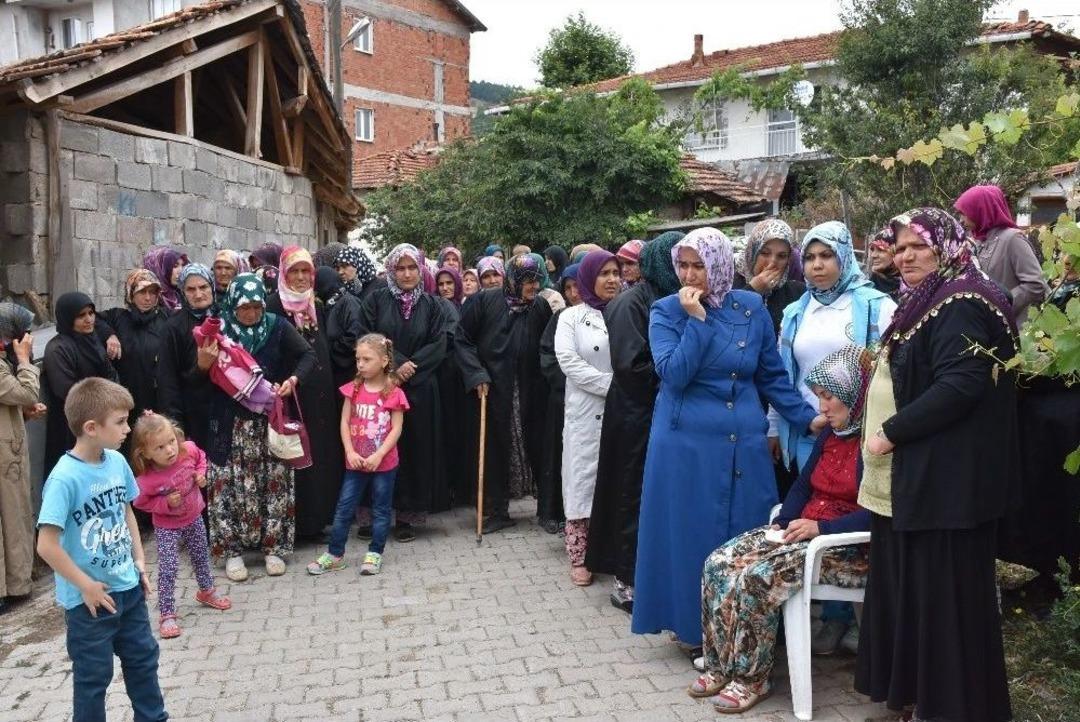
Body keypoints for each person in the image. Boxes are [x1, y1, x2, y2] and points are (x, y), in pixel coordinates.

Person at [855, 207, 1018, 722]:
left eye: (916, 246)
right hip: (930, 483)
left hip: (953, 485)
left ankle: (952, 709)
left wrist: (891, 433)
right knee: (926, 601)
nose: (904, 257)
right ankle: (928, 702)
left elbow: (961, 384)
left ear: (944, 246)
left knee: (947, 604)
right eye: (898, 248)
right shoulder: (930, 301)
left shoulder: (963, 301)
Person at [632, 227, 823, 645]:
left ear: (718, 264)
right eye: (681, 265)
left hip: (744, 442)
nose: (688, 274)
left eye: (697, 265)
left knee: (744, 534)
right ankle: (695, 630)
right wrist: (698, 322)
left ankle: (746, 633)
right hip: (686, 445)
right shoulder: (666, 311)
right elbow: (674, 374)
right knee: (691, 535)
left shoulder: (751, 306)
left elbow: (771, 374)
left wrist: (806, 418)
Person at [693, 344, 873, 713]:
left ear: (854, 397)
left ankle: (751, 678)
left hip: (846, 548)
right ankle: (720, 664)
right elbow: (804, 486)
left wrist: (821, 527)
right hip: (804, 531)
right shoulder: (831, 433)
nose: (821, 408)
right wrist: (779, 524)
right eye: (819, 397)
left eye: (829, 398)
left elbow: (877, 514)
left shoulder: (876, 444)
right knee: (719, 562)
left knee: (758, 577)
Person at [35, 377, 167, 722]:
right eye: (121, 422)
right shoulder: (64, 479)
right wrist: (86, 585)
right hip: (89, 604)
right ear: (91, 427)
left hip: (129, 590)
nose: (128, 429)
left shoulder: (116, 462)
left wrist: (139, 562)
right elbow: (46, 546)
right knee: (93, 680)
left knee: (144, 663)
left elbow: (126, 511)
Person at [586, 231, 684, 612]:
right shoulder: (632, 303)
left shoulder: (672, 299)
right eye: (678, 263)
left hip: (660, 413)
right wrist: (680, 374)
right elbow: (632, 366)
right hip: (634, 415)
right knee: (630, 493)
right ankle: (625, 578)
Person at [207, 273, 315, 580]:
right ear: (232, 304)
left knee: (275, 483)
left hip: (269, 420)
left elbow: (308, 355)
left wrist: (292, 380)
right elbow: (200, 370)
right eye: (245, 308)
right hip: (229, 424)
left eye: (256, 306)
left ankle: (274, 549)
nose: (252, 313)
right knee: (226, 486)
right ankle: (232, 553)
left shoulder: (277, 326)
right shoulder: (221, 331)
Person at [771, 221, 896, 474]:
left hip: (863, 436)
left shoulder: (878, 308)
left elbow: (893, 373)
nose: (817, 265)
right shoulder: (795, 313)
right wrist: (774, 427)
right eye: (809, 257)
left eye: (826, 255)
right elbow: (782, 375)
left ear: (844, 256)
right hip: (808, 431)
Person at [456, 253, 557, 532]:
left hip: (530, 390)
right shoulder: (484, 301)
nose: (534, 288)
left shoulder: (540, 308)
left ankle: (546, 509)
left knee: (536, 446)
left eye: (537, 282)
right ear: (515, 280)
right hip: (493, 389)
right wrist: (476, 373)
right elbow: (461, 340)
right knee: (495, 447)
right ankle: (496, 510)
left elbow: (547, 346)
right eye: (528, 282)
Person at [359, 244, 452, 539]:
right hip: (380, 387)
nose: (407, 273)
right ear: (392, 270)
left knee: (413, 450)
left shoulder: (433, 305)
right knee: (376, 446)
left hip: (420, 390)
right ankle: (373, 516)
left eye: (413, 267)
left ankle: (406, 518)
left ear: (421, 269)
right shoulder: (375, 300)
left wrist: (410, 367)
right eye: (401, 268)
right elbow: (367, 337)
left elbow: (440, 343)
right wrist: (393, 368)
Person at [308, 334, 409, 577]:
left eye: (367, 359)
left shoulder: (393, 392)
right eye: (358, 359)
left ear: (384, 360)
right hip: (355, 463)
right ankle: (334, 554)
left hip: (383, 464)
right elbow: (344, 422)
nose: (360, 364)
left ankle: (375, 552)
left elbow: (397, 428)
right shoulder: (352, 389)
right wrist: (350, 451)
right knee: (344, 508)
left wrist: (379, 455)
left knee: (382, 509)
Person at [266, 246, 345, 540]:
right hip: (291, 395)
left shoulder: (315, 304)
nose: (300, 278)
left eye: (305, 271)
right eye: (294, 271)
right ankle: (297, 525)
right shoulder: (274, 305)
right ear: (284, 274)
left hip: (320, 396)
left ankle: (318, 520)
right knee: (295, 455)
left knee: (320, 455)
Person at [130, 412, 231, 638]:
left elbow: (202, 457)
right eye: (160, 448)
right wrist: (164, 503)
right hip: (167, 527)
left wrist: (200, 474)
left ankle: (207, 592)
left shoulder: (188, 451)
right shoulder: (146, 480)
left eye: (171, 441)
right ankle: (166, 612)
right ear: (145, 452)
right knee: (169, 566)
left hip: (194, 516)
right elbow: (140, 502)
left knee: (200, 556)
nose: (170, 450)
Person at [555, 250, 621, 586]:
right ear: (588, 278)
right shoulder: (571, 318)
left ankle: (612, 553)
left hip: (622, 411)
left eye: (616, 272)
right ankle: (580, 556)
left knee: (617, 479)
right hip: (586, 410)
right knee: (581, 481)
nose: (612, 279)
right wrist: (612, 385)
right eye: (604, 273)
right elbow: (569, 362)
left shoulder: (627, 310)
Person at [43, 292, 118, 479]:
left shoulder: (93, 340)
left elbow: (111, 375)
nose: (89, 319)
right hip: (72, 426)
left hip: (100, 421)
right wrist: (105, 397)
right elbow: (68, 391)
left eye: (91, 313)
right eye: (81, 315)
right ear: (68, 318)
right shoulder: (58, 348)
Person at [0, 304, 44, 615]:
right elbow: (26, 392)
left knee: (14, 514)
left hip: (8, 450)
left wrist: (23, 413)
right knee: (10, 517)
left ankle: (17, 581)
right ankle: (10, 588)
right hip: (5, 456)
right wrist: (25, 361)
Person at [955, 184, 1048, 322]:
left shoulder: (1012, 239)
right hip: (985, 328)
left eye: (965, 213)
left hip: (1014, 330)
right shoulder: (976, 242)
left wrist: (1000, 304)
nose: (961, 220)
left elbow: (1036, 284)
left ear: (981, 210)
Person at [537, 263, 581, 534]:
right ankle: (555, 511)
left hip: (595, 399)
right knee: (558, 455)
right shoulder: (560, 317)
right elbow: (548, 355)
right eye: (568, 288)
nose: (574, 293)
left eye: (578, 285)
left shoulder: (605, 315)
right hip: (563, 397)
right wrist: (569, 382)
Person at [156, 264, 217, 457]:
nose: (198, 295)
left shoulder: (225, 318)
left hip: (225, 413)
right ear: (182, 292)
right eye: (191, 289)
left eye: (204, 287)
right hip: (193, 414)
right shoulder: (173, 327)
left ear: (212, 287)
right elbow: (168, 382)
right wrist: (176, 428)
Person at [96, 270, 170, 424]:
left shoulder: (166, 318)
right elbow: (94, 319)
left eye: (152, 292)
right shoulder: (118, 317)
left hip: (159, 398)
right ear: (131, 294)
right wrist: (110, 335)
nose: (148, 298)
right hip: (126, 397)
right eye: (142, 292)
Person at [735, 219, 805, 335]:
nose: (772, 262)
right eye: (765, 253)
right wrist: (752, 290)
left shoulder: (798, 294)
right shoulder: (729, 288)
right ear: (753, 252)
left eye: (782, 256)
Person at [314, 267, 365, 387]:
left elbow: (355, 336)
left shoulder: (349, 303)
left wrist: (330, 350)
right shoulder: (328, 304)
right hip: (334, 373)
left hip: (348, 374)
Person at [142, 246, 188, 312]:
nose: (181, 271)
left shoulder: (181, 295)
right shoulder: (148, 299)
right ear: (160, 269)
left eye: (182, 265)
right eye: (175, 266)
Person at [866, 227, 901, 300]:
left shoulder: (914, 289)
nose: (873, 255)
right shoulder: (868, 286)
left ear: (896, 252)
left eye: (880, 250)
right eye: (872, 250)